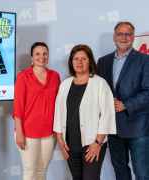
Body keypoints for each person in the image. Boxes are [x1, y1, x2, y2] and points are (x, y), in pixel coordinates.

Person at [53, 44, 116, 180]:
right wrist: (59, 138)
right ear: (71, 62)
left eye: (84, 58)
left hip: (92, 144)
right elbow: (58, 112)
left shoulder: (100, 84)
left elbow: (107, 114)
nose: (79, 62)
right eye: (76, 58)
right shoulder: (65, 84)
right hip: (70, 144)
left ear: (90, 61)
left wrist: (98, 143)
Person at [97, 22, 149, 180]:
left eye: (128, 34)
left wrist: (124, 105)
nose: (123, 37)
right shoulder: (103, 61)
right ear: (114, 37)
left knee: (142, 173)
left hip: (137, 126)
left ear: (133, 38)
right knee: (120, 172)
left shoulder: (145, 60)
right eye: (120, 34)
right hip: (112, 126)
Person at [12, 42, 60, 180]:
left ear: (48, 56)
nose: (41, 57)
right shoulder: (23, 76)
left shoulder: (55, 76)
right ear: (31, 57)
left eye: (45, 53)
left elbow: (60, 104)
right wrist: (19, 133)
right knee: (30, 172)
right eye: (37, 54)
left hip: (49, 132)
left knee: (42, 171)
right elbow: (18, 108)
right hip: (27, 132)